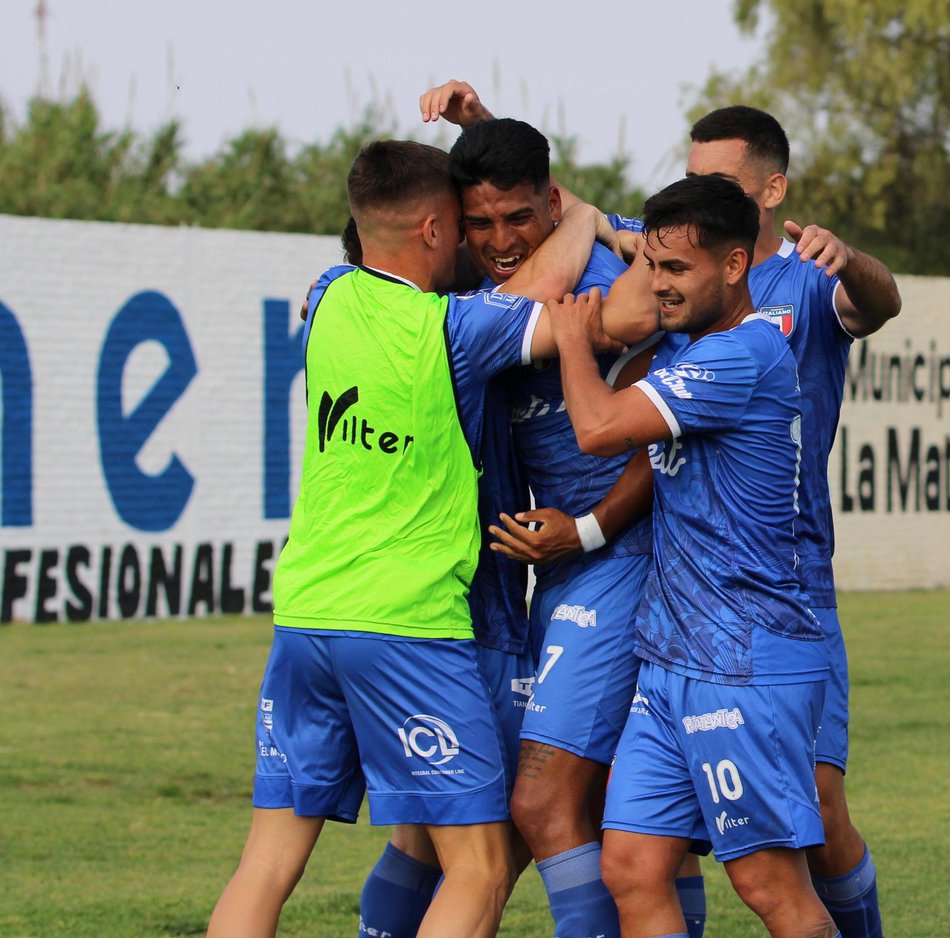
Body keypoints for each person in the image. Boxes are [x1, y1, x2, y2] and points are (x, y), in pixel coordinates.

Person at [207, 139, 621, 938]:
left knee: (266, 862)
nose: (482, 241)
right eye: (466, 226)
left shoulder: (327, 296)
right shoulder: (451, 332)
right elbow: (550, 289)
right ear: (436, 230)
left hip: (302, 615)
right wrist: (590, 217)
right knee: (482, 867)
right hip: (408, 627)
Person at [356, 112, 666, 938]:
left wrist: (592, 529)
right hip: (520, 582)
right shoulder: (461, 301)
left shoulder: (610, 279)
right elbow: (510, 203)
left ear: (552, 207)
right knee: (477, 825)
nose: (497, 237)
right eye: (479, 221)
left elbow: (665, 426)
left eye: (518, 219)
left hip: (620, 561)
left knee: (536, 804)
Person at [547, 173, 840, 938]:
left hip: (743, 665)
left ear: (736, 265)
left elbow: (598, 427)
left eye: (677, 270)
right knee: (633, 868)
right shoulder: (696, 348)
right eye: (651, 266)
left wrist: (573, 338)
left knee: (772, 889)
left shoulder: (742, 356)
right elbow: (591, 221)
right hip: (671, 662)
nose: (659, 287)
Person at [682, 105, 900, 938]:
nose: (703, 197)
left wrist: (852, 260)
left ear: (773, 189)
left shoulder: (809, 282)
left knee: (817, 802)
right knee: (652, 829)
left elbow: (879, 302)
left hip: (791, 588)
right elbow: (575, 216)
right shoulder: (674, 268)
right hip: (683, 588)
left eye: (723, 183)